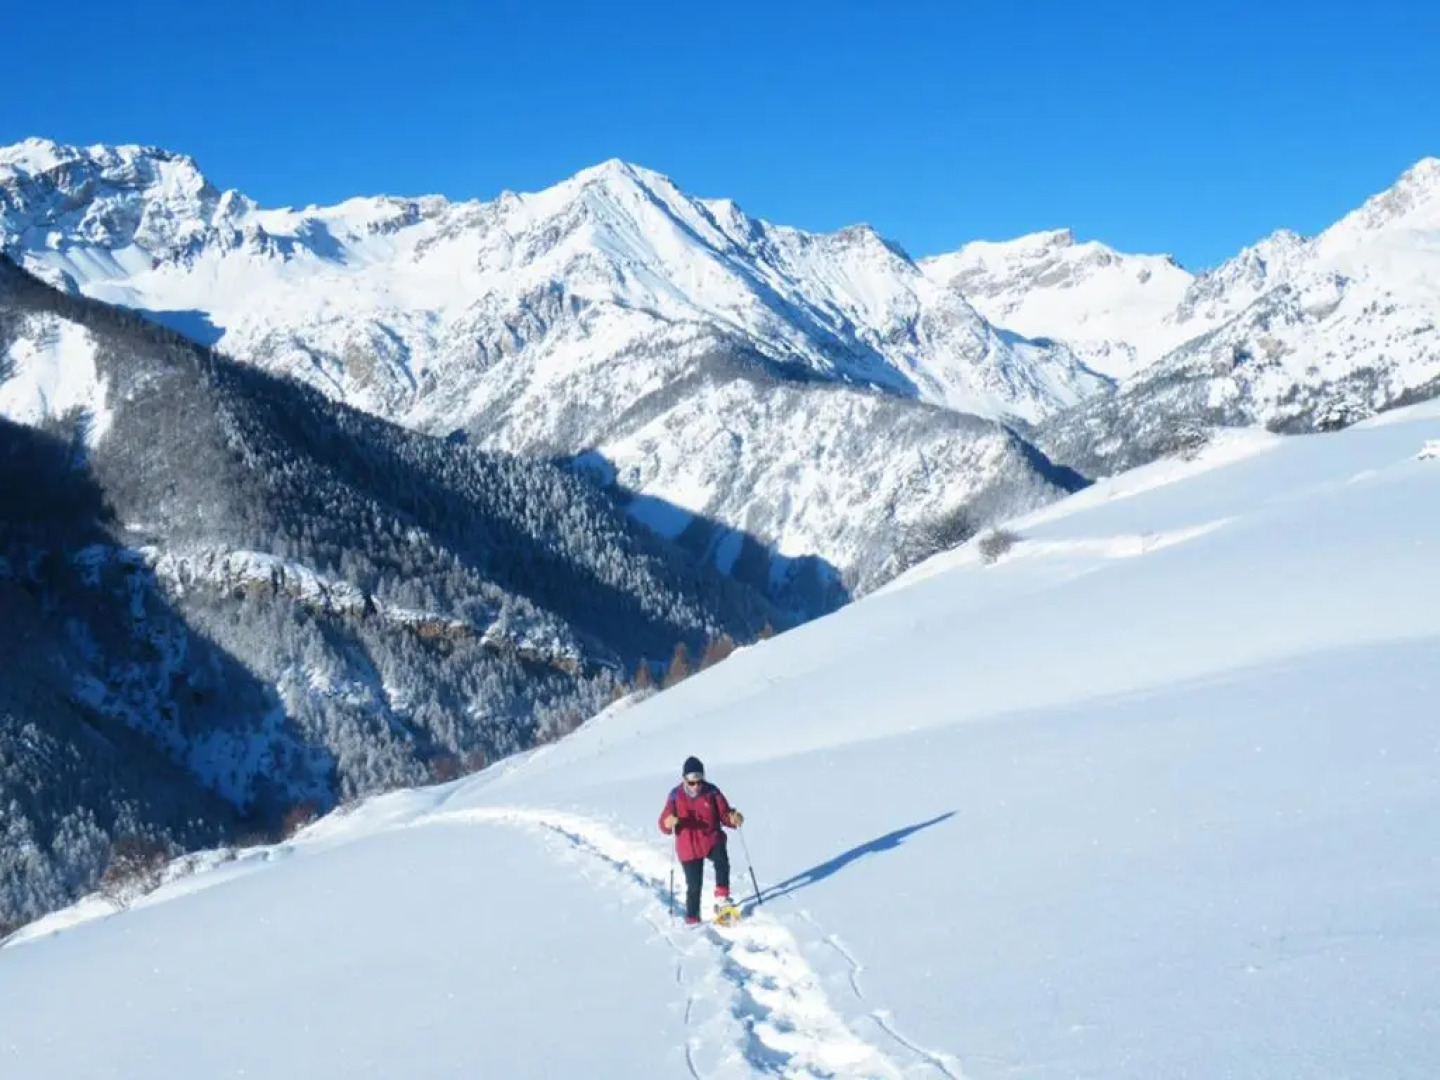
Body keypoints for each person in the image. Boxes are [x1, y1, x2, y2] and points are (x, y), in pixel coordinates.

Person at [658, 756, 744, 924]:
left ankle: (722, 900)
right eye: (691, 782)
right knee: (694, 886)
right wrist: (668, 823)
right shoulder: (675, 796)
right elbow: (663, 823)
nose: (696, 786)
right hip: (688, 846)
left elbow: (724, 814)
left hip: (710, 838)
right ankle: (692, 919)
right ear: (684, 780)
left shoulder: (712, 791)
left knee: (721, 860)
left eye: (699, 781)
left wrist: (733, 818)